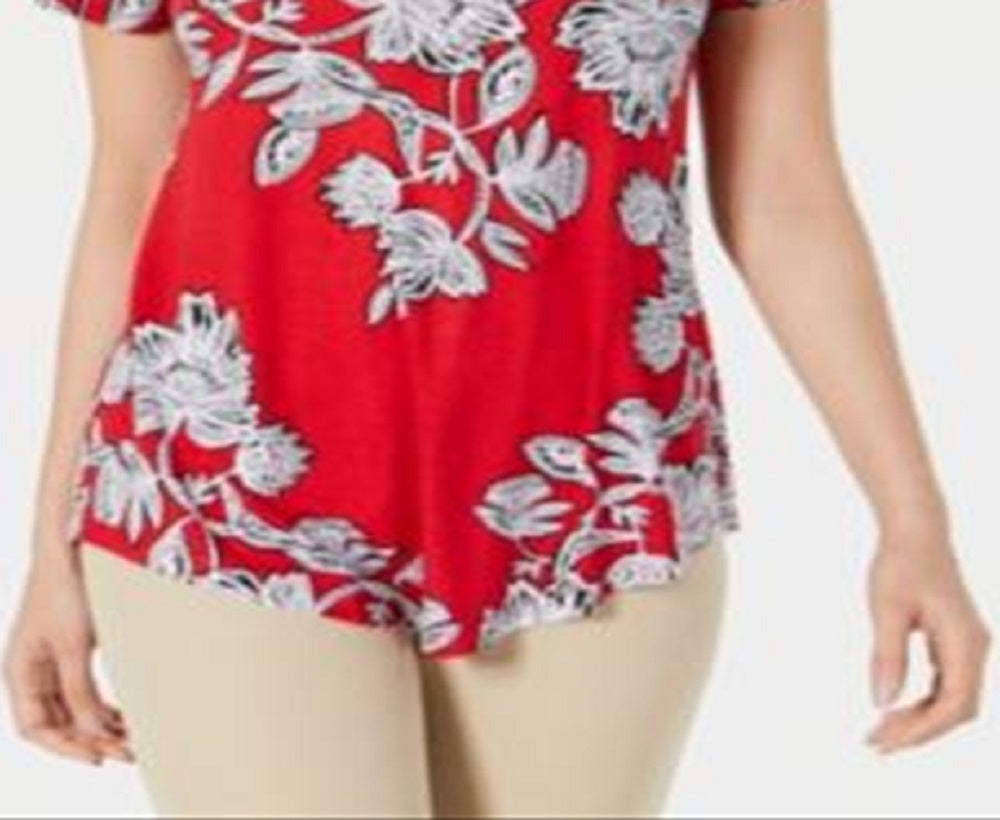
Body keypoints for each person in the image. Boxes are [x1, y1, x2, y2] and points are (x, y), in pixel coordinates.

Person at [4, 0, 991, 816]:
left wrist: (912, 520)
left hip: (596, 504)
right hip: (223, 493)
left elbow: (786, 198)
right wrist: (52, 544)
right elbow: (129, 185)